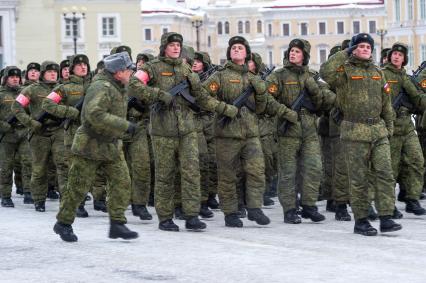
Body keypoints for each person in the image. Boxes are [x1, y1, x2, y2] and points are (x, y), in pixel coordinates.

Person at [129, 32, 234, 231]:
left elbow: (202, 97)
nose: (176, 48)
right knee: (165, 175)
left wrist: (224, 108)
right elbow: (133, 85)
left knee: (191, 173)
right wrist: (158, 95)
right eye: (172, 45)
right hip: (163, 132)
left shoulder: (186, 70)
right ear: (164, 47)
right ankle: (165, 217)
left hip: (187, 130)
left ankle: (191, 215)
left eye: (178, 44)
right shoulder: (151, 68)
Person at [320, 33, 402, 236]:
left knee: (385, 173)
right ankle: (362, 220)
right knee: (359, 178)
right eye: (361, 46)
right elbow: (325, 72)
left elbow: (386, 103)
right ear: (354, 49)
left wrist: (389, 127)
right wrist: (345, 52)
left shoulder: (377, 72)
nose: (365, 49)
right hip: (354, 131)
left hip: (378, 131)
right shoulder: (344, 70)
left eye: (368, 47)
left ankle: (385, 216)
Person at [53, 52, 138, 242]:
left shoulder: (119, 85)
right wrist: (124, 125)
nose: (131, 73)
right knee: (77, 187)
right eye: (128, 70)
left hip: (111, 145)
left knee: (122, 183)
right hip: (89, 145)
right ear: (118, 72)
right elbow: (94, 114)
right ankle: (63, 223)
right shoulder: (101, 86)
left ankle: (117, 223)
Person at [202, 36, 280, 227]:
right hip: (226, 135)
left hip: (251, 134)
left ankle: (254, 208)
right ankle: (230, 212)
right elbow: (203, 97)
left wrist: (261, 93)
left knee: (256, 171)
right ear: (229, 53)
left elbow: (261, 109)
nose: (236, 50)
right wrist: (223, 108)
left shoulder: (254, 78)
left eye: (240, 47)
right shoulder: (219, 76)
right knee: (228, 176)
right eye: (233, 48)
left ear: (247, 53)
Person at [265, 39, 326, 224]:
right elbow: (266, 99)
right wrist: (285, 112)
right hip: (287, 130)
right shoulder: (278, 75)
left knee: (313, 168)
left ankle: (309, 206)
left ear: (305, 55)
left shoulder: (313, 75)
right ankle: (290, 209)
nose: (293, 54)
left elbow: (324, 101)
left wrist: (315, 91)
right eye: (291, 50)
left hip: (309, 130)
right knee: (288, 172)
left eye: (297, 51)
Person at [12, 61, 67, 212]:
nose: (53, 74)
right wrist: (30, 123)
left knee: (63, 165)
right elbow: (16, 107)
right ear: (43, 73)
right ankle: (39, 199)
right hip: (39, 133)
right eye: (49, 72)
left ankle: (66, 198)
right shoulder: (31, 89)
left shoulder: (61, 89)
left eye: (55, 72)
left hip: (58, 131)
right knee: (39, 168)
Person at [382, 42, 426, 216]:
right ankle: (388, 205)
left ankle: (412, 199)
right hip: (390, 128)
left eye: (400, 55)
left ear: (404, 59)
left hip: (407, 127)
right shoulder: (382, 75)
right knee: (390, 168)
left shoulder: (407, 78)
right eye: (394, 54)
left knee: (416, 161)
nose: (396, 57)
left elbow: (419, 100)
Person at [0, 66, 33, 206]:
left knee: (28, 163)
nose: (15, 79)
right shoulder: (1, 94)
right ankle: (6, 196)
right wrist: (3, 126)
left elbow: (31, 111)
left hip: (23, 133)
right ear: (6, 78)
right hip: (7, 136)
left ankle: (28, 192)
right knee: (6, 166)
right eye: (12, 77)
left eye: (17, 77)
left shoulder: (24, 93)